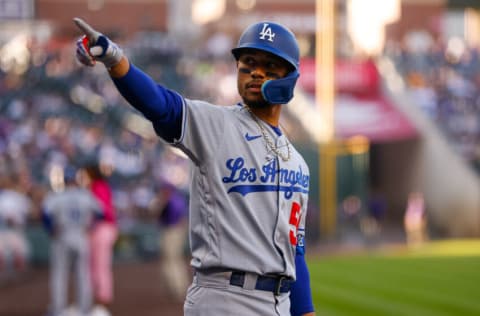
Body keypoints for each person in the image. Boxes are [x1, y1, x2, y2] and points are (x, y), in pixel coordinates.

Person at [74, 18, 315, 316]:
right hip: (224, 298)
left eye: (269, 66)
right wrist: (116, 60)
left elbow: (296, 252)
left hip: (280, 302)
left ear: (289, 77)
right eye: (249, 62)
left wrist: (305, 312)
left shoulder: (298, 164)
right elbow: (161, 105)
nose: (256, 72)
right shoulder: (216, 124)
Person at [41, 166, 103, 316]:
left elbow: (45, 214)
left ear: (64, 180)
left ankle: (59, 309)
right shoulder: (86, 195)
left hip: (63, 236)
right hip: (81, 237)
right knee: (83, 275)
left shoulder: (56, 196)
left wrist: (51, 229)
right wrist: (91, 227)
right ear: (76, 180)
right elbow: (101, 213)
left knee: (59, 275)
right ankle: (84, 309)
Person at [83, 163, 118, 316]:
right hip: (104, 228)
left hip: (102, 228)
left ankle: (102, 301)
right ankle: (100, 299)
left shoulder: (98, 186)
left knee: (99, 266)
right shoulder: (99, 186)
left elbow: (102, 212)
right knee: (97, 266)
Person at [149, 180, 190, 302]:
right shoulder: (176, 199)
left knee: (172, 260)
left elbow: (156, 213)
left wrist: (160, 203)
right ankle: (176, 288)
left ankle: (178, 289)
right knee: (172, 260)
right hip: (175, 230)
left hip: (172, 231)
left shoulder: (172, 200)